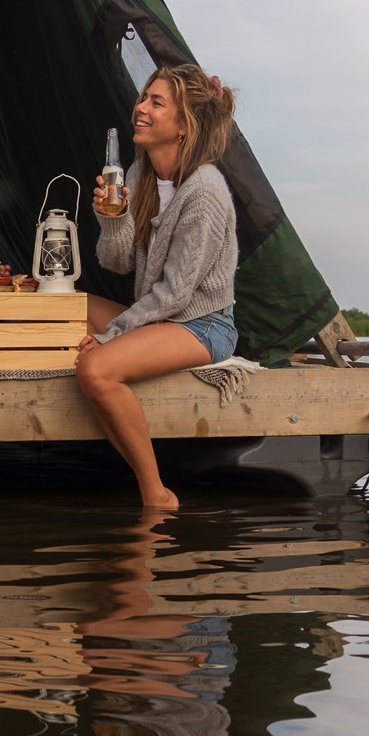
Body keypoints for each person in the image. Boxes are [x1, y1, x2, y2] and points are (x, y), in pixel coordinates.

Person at [75, 64, 239, 511]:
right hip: (161, 315)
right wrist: (112, 220)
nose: (140, 108)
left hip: (202, 325)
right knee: (73, 307)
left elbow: (176, 295)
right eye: (143, 98)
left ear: (184, 126)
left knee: (95, 369)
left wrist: (112, 338)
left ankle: (155, 493)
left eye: (155, 102)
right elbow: (118, 262)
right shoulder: (138, 172)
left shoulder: (204, 191)